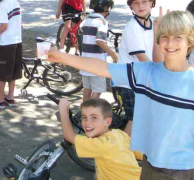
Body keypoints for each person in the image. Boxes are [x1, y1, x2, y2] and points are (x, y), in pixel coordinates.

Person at [47, 10, 194, 179]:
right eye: (165, 37)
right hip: (150, 164)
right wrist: (63, 57)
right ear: (158, 40)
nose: (170, 43)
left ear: (189, 41)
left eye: (178, 37)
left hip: (183, 170)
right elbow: (103, 67)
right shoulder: (147, 72)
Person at [59, 98, 142, 180]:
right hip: (139, 176)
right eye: (84, 117)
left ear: (108, 122)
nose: (87, 122)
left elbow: (69, 136)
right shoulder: (119, 133)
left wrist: (63, 110)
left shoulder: (101, 144)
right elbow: (140, 154)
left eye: (94, 118)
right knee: (97, 175)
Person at [116, 0, 156, 136]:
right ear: (131, 7)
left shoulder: (153, 23)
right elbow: (142, 57)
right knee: (135, 119)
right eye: (136, 3)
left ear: (152, 3)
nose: (140, 6)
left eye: (144, 2)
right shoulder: (132, 27)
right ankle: (122, 153)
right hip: (128, 80)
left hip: (142, 77)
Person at [80, 0, 118, 102]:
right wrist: (113, 54)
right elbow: (100, 41)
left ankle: (84, 109)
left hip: (84, 61)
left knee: (87, 87)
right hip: (97, 64)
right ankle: (90, 109)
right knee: (98, 89)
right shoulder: (102, 22)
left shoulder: (86, 20)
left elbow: (80, 39)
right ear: (106, 8)